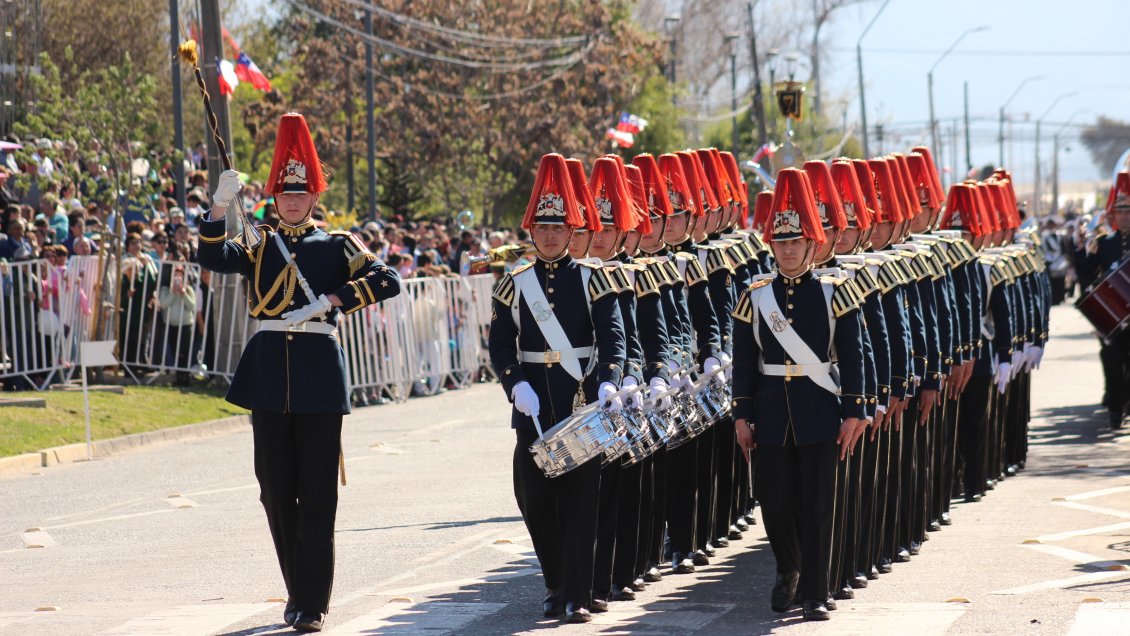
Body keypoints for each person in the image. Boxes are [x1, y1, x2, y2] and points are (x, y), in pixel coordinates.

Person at [196, 113, 401, 633]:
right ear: (274, 196)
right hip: (267, 376)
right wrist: (219, 205)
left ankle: (314, 602)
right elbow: (214, 258)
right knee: (273, 488)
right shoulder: (260, 242)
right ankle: (297, 590)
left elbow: (389, 278)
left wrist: (333, 299)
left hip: (317, 377)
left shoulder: (337, 244)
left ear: (314, 196)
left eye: (301, 193)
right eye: (285, 194)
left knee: (317, 493)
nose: (292, 201)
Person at [488, 153, 626, 624]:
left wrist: (609, 383)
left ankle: (579, 595)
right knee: (535, 500)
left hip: (581, 400)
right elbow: (501, 345)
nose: (550, 235)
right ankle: (555, 582)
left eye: (559, 227)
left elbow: (613, 337)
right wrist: (514, 385)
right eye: (543, 227)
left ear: (572, 232)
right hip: (533, 405)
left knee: (583, 501)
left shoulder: (592, 278)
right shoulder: (514, 283)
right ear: (532, 232)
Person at [732, 168, 867, 621]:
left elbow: (853, 355)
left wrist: (854, 411)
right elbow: (744, 361)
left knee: (817, 504)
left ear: (812, 245)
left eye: (795, 243)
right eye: (780, 243)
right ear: (771, 246)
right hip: (770, 413)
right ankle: (788, 569)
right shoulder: (755, 296)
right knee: (774, 502)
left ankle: (815, 591)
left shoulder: (835, 292)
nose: (787, 251)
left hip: (819, 410)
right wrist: (741, 415)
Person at [1075, 171, 1130, 429]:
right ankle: (1116, 409)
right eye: (1120, 212)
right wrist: (1080, 247)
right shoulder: (1105, 243)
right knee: (1111, 363)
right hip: (1114, 319)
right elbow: (1086, 274)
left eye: (1128, 211)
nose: (1124, 216)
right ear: (1114, 215)